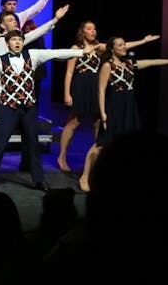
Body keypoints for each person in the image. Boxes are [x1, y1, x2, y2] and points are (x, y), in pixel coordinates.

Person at [0, 3, 70, 178]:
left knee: (29, 132)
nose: (15, 21)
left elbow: (38, 32)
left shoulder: (18, 39)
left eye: (15, 19)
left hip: (19, 94)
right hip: (0, 94)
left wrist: (56, 19)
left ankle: (28, 165)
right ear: (1, 24)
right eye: (10, 20)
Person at [0, 29, 92, 191]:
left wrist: (81, 52)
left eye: (20, 40)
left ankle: (38, 179)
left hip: (28, 108)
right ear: (7, 43)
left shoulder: (33, 55)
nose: (17, 42)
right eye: (14, 40)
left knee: (33, 143)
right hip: (8, 108)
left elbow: (55, 53)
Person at [77, 36, 168, 192]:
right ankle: (84, 177)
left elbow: (152, 62)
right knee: (101, 144)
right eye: (120, 45)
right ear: (112, 49)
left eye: (125, 44)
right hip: (113, 108)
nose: (124, 47)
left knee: (126, 143)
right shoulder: (107, 66)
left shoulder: (130, 64)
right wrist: (103, 113)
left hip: (128, 108)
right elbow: (101, 91)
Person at [57, 21, 159, 175]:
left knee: (99, 123)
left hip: (95, 87)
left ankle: (100, 159)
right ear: (82, 32)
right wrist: (67, 93)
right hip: (81, 87)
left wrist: (143, 41)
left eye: (95, 29)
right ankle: (62, 157)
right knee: (74, 121)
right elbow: (70, 72)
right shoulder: (76, 49)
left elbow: (121, 46)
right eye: (89, 29)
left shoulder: (99, 48)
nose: (93, 31)